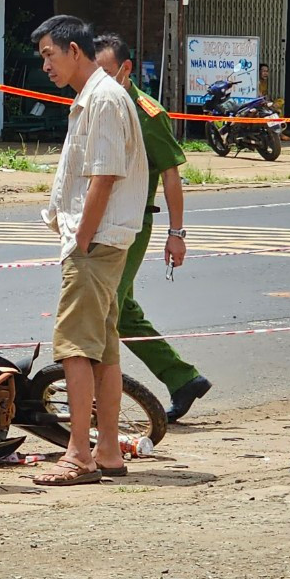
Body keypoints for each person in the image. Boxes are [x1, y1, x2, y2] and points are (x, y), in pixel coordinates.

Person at [32, 15, 147, 487]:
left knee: (75, 348)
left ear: (73, 51)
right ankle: (107, 450)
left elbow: (104, 176)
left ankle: (79, 454)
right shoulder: (95, 98)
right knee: (102, 347)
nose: (45, 66)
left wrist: (80, 240)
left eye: (48, 56)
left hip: (94, 242)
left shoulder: (102, 98)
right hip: (100, 239)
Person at [94, 33, 212, 423]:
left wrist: (176, 234)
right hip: (101, 220)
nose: (101, 81)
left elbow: (172, 177)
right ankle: (183, 379)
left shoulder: (148, 112)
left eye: (108, 73)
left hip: (132, 222)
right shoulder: (94, 102)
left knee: (106, 306)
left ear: (126, 70)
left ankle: (99, 398)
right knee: (121, 308)